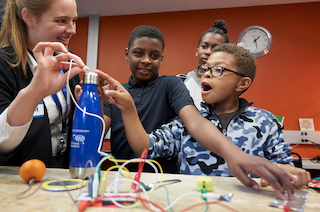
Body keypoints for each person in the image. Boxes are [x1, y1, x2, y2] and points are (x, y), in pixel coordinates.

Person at [96, 43, 310, 199]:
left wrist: (294, 174)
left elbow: (284, 166)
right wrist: (128, 108)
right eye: (205, 69)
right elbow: (145, 147)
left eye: (218, 70)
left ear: (242, 84)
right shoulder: (188, 122)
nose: (206, 75)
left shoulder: (266, 121)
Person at [0, 0, 88, 168]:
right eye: (61, 21)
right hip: (22, 180)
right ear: (29, 17)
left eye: (74, 20)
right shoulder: (4, 64)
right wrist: (34, 93)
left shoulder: (66, 59)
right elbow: (3, 144)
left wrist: (86, 105)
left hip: (63, 174)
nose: (72, 30)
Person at [177, 20, 229, 110]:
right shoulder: (179, 82)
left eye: (216, 48)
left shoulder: (229, 87)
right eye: (204, 46)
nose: (208, 52)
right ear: (197, 52)